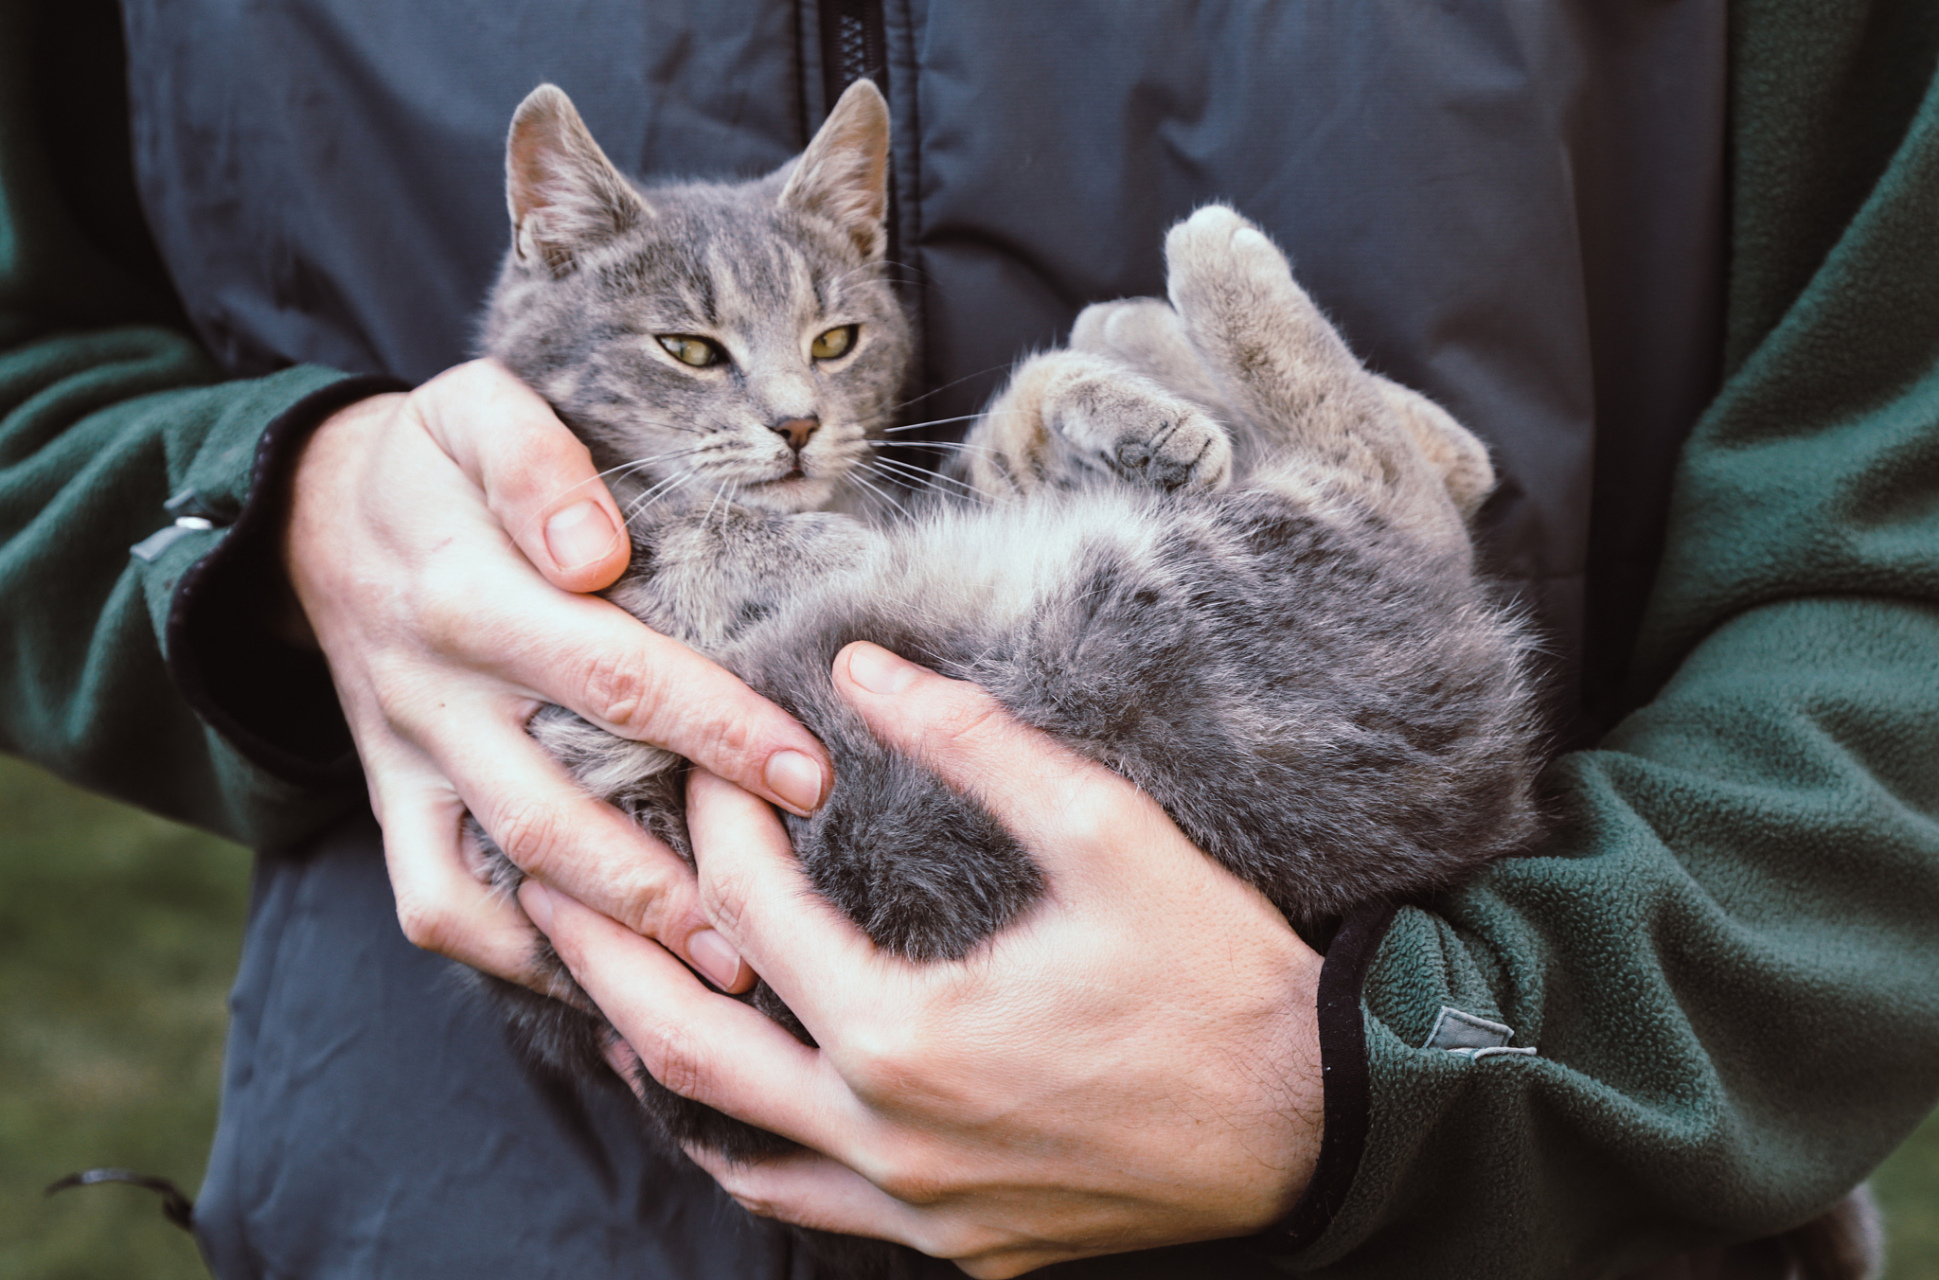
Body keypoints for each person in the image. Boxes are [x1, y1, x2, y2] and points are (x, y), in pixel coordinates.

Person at [3, 0, 1937, 1276]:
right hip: (464, 1205)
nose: (783, 417)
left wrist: (1417, 1072)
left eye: (827, 351)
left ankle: (1341, 511)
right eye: (705, 356)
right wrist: (273, 516)